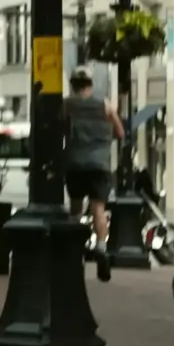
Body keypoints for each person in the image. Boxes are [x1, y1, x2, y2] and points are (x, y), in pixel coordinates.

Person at [63, 71, 122, 281]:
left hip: (76, 163)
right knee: (99, 208)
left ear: (73, 85)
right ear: (90, 84)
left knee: (76, 208)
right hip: (99, 165)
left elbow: (58, 128)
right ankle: (101, 248)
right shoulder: (105, 105)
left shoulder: (66, 105)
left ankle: (73, 249)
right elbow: (120, 132)